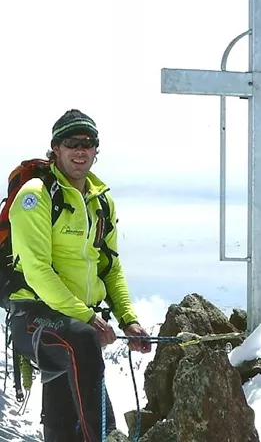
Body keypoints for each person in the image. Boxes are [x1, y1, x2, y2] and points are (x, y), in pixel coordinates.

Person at [7, 109, 152, 442]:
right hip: (34, 315)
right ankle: (106, 437)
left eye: (88, 143)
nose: (81, 150)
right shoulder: (36, 195)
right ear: (56, 148)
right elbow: (37, 270)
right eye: (72, 142)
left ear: (96, 151)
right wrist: (87, 317)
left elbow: (110, 268)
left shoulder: (101, 204)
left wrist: (128, 319)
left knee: (63, 413)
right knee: (83, 342)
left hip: (73, 322)